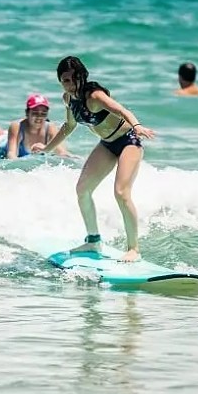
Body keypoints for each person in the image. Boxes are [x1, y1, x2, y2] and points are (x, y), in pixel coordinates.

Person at [37, 56, 155, 262]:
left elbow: (121, 110)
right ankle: (93, 241)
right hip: (107, 144)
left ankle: (134, 249)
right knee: (82, 189)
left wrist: (137, 126)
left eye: (74, 79)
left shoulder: (94, 96)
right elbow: (69, 126)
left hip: (128, 140)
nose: (70, 84)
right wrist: (46, 149)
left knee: (121, 192)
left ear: (82, 77)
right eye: (65, 80)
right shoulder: (68, 99)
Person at [5, 93, 68, 159]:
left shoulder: (50, 128)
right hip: (1, 148)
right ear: (27, 113)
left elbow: (62, 153)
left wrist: (46, 150)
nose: (39, 117)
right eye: (35, 113)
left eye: (43, 113)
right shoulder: (17, 127)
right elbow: (11, 154)